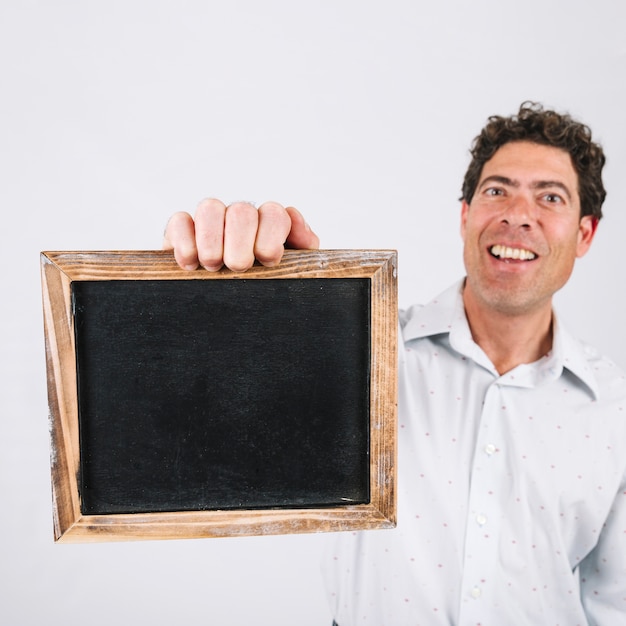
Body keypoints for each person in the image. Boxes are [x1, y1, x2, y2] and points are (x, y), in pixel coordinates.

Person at [163, 103, 626, 625]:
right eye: (497, 190)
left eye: (550, 197)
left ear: (585, 234)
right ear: (464, 216)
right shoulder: (362, 349)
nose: (518, 214)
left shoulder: (615, 409)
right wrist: (231, 286)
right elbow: (220, 397)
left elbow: (614, 606)